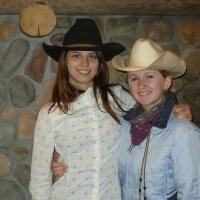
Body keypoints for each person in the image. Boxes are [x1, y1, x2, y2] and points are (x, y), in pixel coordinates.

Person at [30, 18, 192, 200]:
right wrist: (56, 158)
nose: (84, 63)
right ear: (64, 61)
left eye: (91, 56)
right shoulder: (49, 114)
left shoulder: (116, 97)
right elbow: (39, 180)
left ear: (99, 62)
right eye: (76, 55)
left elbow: (150, 106)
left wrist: (175, 107)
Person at [112, 38, 200, 199]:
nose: (141, 85)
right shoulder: (124, 127)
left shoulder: (184, 133)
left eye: (149, 76)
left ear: (167, 82)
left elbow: (192, 194)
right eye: (134, 78)